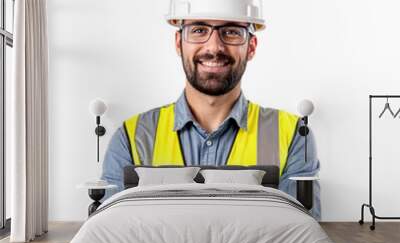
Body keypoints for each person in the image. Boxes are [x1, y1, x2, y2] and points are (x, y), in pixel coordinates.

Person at [101, 0, 321, 220]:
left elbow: (303, 234)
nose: (214, 47)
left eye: (231, 31)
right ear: (178, 43)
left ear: (251, 47)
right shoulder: (131, 136)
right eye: (199, 30)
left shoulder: (293, 135)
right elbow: (108, 235)